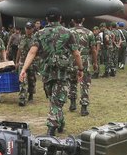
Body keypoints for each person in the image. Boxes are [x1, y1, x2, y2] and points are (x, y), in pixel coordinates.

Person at [20, 8, 83, 136]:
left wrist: (23, 69)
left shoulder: (39, 34)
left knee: (55, 100)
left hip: (46, 73)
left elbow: (32, 52)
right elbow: (76, 53)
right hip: (62, 72)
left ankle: (52, 127)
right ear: (60, 19)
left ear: (47, 19)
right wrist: (81, 69)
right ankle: (59, 123)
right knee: (56, 100)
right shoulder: (67, 33)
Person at [68, 16, 98, 116]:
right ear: (83, 20)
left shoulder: (68, 32)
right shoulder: (89, 33)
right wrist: (95, 62)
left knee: (72, 82)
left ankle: (72, 103)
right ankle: (84, 108)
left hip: (71, 60)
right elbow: (93, 50)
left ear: (73, 20)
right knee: (84, 83)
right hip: (84, 61)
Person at [16, 22, 37, 106]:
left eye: (29, 28)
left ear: (32, 29)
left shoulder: (36, 38)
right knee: (22, 80)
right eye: (26, 28)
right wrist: (17, 62)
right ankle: (22, 98)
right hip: (22, 62)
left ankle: (31, 94)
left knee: (32, 79)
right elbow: (19, 50)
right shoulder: (22, 38)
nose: (28, 30)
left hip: (32, 62)